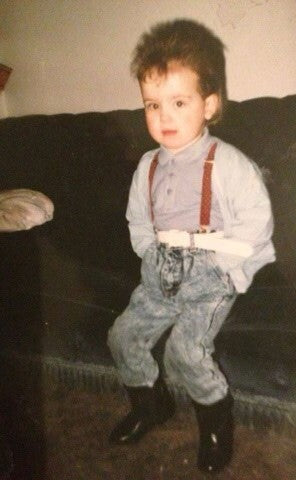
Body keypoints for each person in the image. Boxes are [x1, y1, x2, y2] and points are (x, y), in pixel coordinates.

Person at [107, 18, 275, 473]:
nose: (163, 116)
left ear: (210, 105)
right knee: (122, 336)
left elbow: (256, 220)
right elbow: (138, 217)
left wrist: (226, 267)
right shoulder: (146, 166)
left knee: (185, 351)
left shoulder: (228, 163)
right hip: (159, 269)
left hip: (208, 272)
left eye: (179, 102)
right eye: (152, 104)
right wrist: (148, 252)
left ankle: (217, 423)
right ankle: (150, 405)